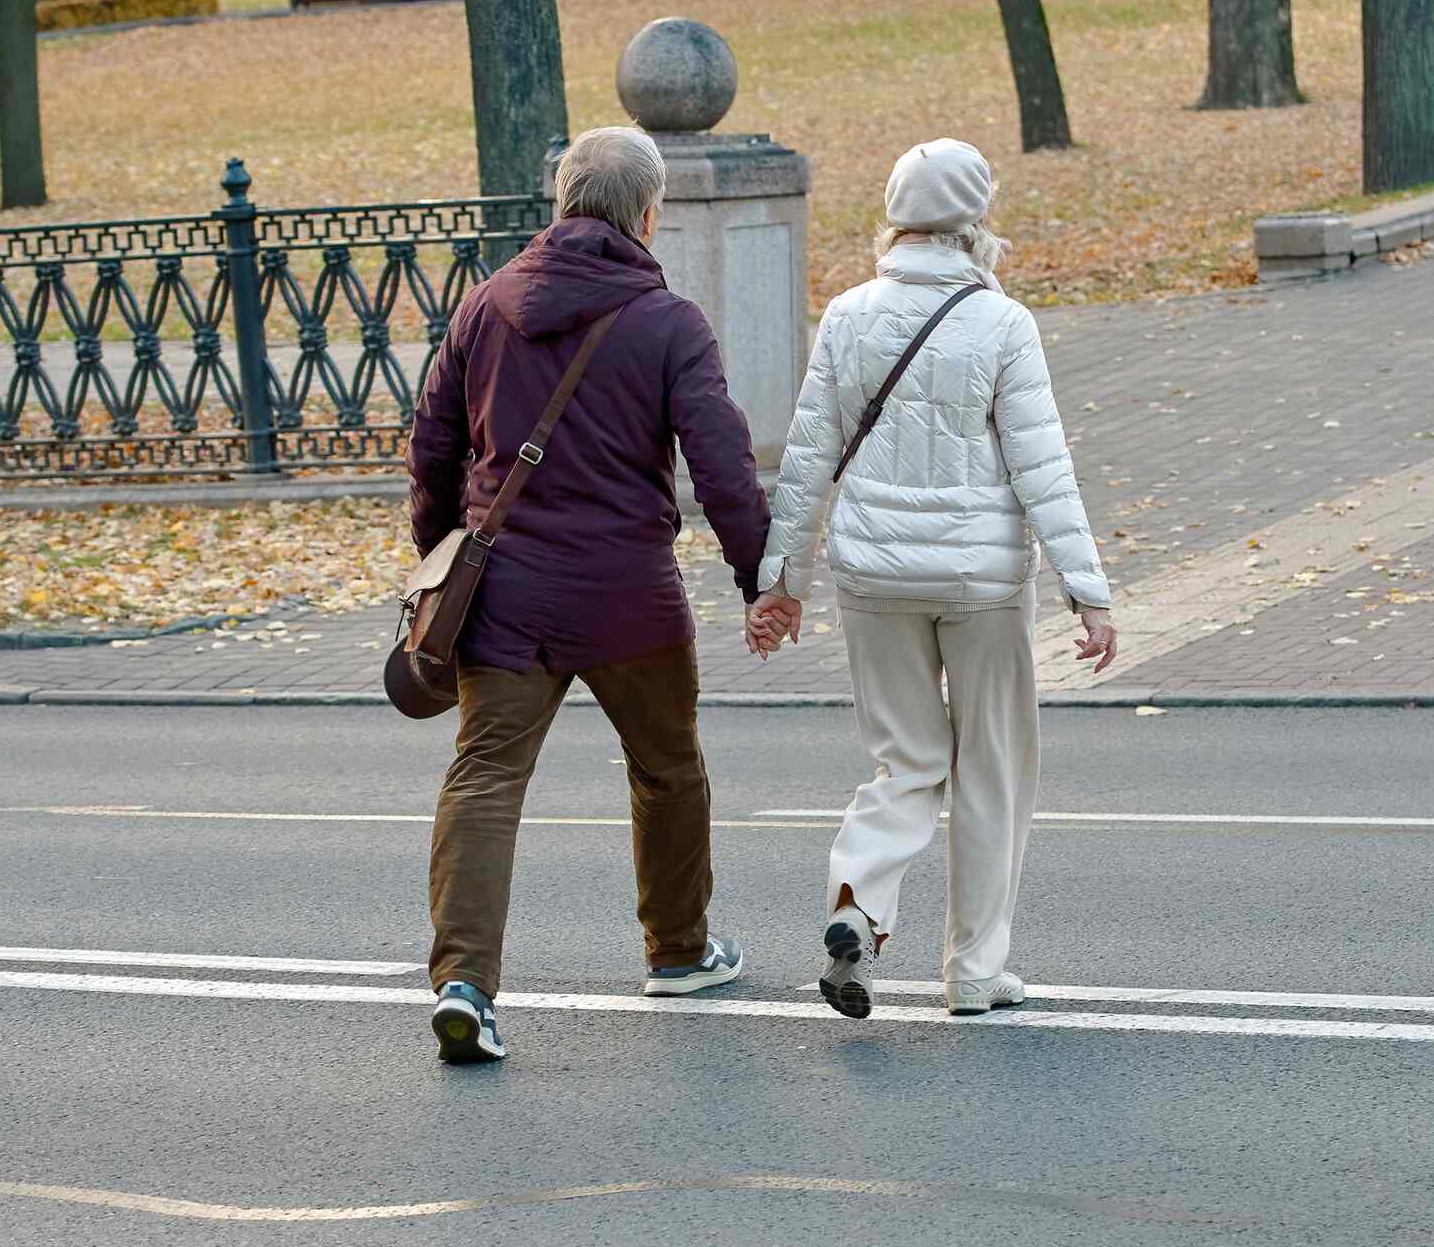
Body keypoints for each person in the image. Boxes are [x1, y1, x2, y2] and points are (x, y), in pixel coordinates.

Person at [406, 126, 767, 1065]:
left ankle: (465, 986)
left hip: (507, 597)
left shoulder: (485, 308)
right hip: (628, 598)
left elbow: (432, 450)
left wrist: (443, 555)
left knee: (484, 780)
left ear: (561, 204)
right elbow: (722, 465)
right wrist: (758, 575)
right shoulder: (670, 323)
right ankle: (680, 951)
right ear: (650, 215)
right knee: (668, 769)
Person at [747, 140, 1119, 1023]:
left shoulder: (846, 316)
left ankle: (859, 907)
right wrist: (1087, 590)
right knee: (991, 767)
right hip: (981, 582)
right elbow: (1042, 466)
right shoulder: (1003, 323)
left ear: (895, 215)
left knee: (903, 761)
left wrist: (781, 581)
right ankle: (975, 970)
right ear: (975, 220)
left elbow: (806, 463)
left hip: (872, 575)